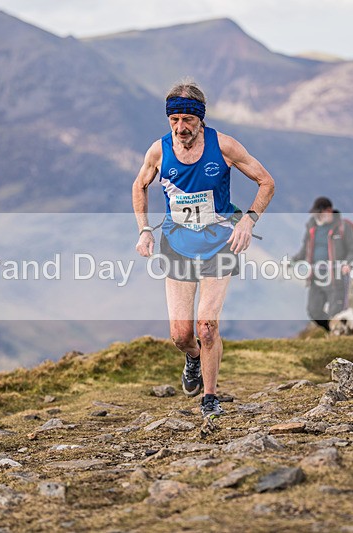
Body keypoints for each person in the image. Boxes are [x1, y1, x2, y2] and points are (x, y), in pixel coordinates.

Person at [132, 81, 275, 419]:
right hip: (178, 246)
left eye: (187, 121)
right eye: (174, 121)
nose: (181, 128)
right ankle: (192, 358)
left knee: (206, 325)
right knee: (182, 335)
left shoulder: (224, 146)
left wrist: (247, 222)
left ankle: (209, 397)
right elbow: (140, 185)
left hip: (219, 243)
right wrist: (144, 230)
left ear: (200, 120)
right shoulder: (159, 151)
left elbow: (266, 181)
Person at [292, 197, 353, 332]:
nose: (318, 216)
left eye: (321, 212)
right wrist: (293, 261)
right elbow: (306, 249)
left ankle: (339, 336)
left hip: (337, 278)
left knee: (336, 312)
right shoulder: (312, 227)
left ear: (329, 210)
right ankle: (333, 331)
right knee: (313, 310)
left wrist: (348, 264)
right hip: (316, 277)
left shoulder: (343, 226)